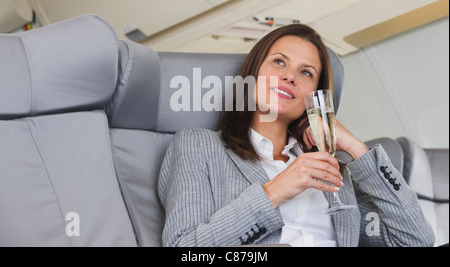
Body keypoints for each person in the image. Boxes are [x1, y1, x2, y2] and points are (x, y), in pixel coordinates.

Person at [158, 24, 435, 247]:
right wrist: (275, 191)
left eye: (306, 72)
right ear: (253, 75)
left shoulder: (333, 173)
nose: (290, 76)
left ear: (314, 96)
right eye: (279, 62)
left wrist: (355, 147)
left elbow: (416, 241)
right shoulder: (198, 146)